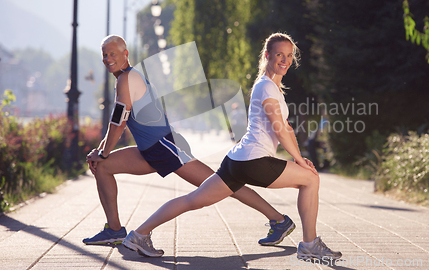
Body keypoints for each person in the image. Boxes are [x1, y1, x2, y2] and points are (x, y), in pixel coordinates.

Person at [123, 33, 343, 261]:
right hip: (254, 161)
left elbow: (286, 128)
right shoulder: (266, 87)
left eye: (289, 56)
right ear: (267, 56)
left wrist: (300, 157)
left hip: (237, 161)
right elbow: (279, 128)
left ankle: (138, 234)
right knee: (311, 179)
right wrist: (299, 160)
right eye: (279, 55)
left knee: (194, 200)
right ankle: (309, 244)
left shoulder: (273, 88)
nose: (285, 60)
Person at [83, 35, 295, 249]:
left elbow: (119, 122)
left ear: (125, 54)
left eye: (113, 54)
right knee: (102, 166)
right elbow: (116, 121)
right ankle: (114, 230)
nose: (108, 59)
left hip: (166, 147)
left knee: (225, 184)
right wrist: (101, 153)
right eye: (105, 55)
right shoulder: (125, 78)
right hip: (150, 150)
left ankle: (278, 220)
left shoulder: (127, 79)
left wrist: (102, 152)